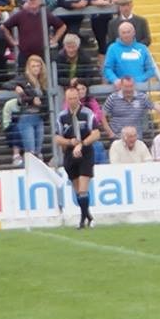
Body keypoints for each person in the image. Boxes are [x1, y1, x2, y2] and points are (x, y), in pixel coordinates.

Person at [55, 85, 101, 229]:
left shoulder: (87, 114)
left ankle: (82, 220)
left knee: (83, 189)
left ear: (79, 98)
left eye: (75, 98)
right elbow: (57, 138)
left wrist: (82, 143)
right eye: (70, 98)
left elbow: (96, 133)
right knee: (77, 190)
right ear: (66, 99)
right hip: (70, 154)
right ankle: (88, 216)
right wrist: (70, 142)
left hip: (86, 152)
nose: (73, 101)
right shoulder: (62, 117)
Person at [7, 55, 49, 158]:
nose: (35, 68)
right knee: (30, 150)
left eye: (38, 66)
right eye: (33, 66)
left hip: (39, 116)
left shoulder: (42, 81)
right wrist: (16, 87)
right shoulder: (23, 78)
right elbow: (7, 84)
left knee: (38, 150)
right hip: (27, 116)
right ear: (29, 67)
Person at [103, 22, 155, 87]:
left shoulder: (143, 48)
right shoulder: (112, 48)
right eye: (123, 33)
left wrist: (138, 80)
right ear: (119, 34)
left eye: (128, 32)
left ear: (134, 33)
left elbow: (150, 70)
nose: (126, 35)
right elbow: (107, 68)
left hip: (140, 88)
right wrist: (115, 80)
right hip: (119, 89)